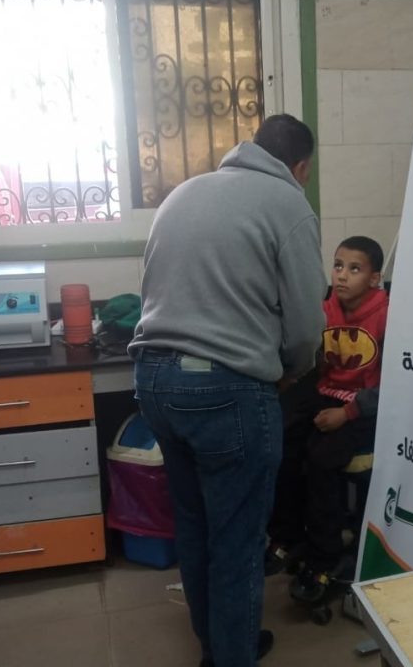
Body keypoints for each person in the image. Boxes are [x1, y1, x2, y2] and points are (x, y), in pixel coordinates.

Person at [129, 114, 327, 666]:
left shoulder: (184, 193)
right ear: (301, 167)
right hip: (223, 389)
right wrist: (290, 370)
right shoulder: (288, 204)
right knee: (238, 539)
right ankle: (232, 656)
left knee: (195, 527)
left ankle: (217, 648)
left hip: (154, 380)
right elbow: (306, 326)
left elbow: (151, 287)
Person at [264, 236, 389, 602]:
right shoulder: (324, 309)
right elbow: (312, 363)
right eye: (338, 266)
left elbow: (393, 383)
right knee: (281, 441)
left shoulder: (387, 316)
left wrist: (347, 413)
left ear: (374, 278)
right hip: (327, 394)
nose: (342, 275)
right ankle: (288, 536)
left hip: (366, 407)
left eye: (355, 269)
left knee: (321, 459)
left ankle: (324, 556)